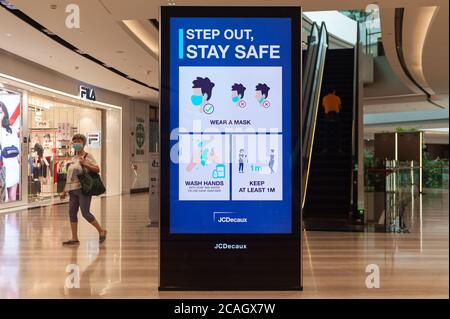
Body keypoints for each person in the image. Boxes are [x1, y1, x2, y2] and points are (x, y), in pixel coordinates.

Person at [60, 134, 107, 245]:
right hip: (72, 190)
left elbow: (97, 169)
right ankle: (74, 238)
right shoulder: (73, 158)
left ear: (83, 143)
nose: (76, 143)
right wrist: (64, 191)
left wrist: (85, 163)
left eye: (79, 141)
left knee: (85, 213)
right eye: (74, 141)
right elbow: (69, 177)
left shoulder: (87, 156)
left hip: (83, 189)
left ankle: (101, 231)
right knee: (72, 212)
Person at [0, 101, 20, 202]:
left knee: (12, 198)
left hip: (12, 165)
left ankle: (12, 217)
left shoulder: (10, 130)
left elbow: (17, 149)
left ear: (4, 113)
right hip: (2, 167)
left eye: (0, 112)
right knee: (3, 198)